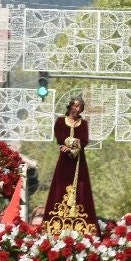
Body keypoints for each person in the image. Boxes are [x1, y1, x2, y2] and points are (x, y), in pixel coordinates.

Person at [45, 96, 98, 231]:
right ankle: (56, 224)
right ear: (69, 106)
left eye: (79, 106)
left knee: (81, 189)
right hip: (64, 162)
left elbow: (84, 140)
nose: (77, 108)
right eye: (75, 106)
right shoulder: (61, 121)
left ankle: (82, 225)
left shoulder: (84, 123)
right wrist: (71, 143)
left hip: (79, 162)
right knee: (60, 187)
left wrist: (73, 148)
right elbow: (59, 136)